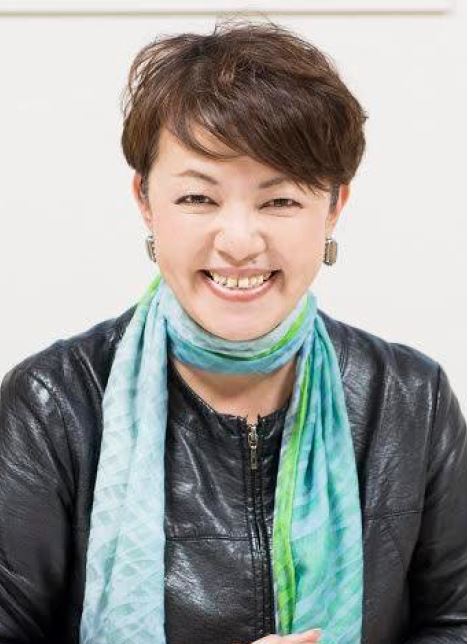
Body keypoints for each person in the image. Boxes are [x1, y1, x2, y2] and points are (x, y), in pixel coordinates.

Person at [0, 17, 465, 644]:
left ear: (334, 206)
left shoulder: (411, 399)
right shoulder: (52, 403)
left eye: (280, 201)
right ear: (146, 201)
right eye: (198, 198)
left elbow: (453, 624)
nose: (240, 241)